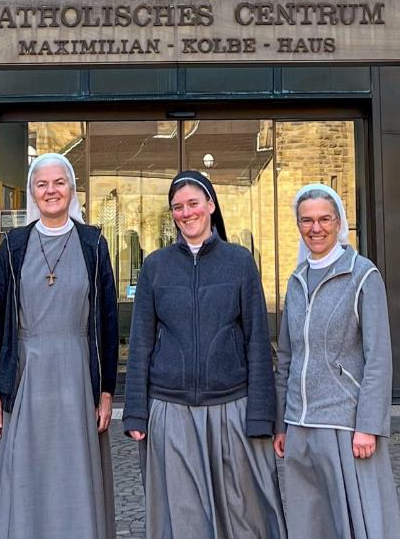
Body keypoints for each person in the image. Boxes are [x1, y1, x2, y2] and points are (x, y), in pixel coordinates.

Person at [123, 170, 285, 539]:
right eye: (177, 207)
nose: (186, 212)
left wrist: (262, 414)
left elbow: (257, 341)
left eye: (193, 203)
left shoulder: (239, 262)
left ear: (211, 205)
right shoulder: (155, 267)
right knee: (182, 518)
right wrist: (135, 410)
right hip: (170, 409)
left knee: (243, 514)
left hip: (232, 406)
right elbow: (141, 343)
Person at [0, 153, 120, 539]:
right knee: (25, 467)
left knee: (73, 468)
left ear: (72, 189)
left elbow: (106, 322)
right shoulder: (14, 246)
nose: (51, 190)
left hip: (76, 375)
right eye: (42, 184)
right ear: (32, 192)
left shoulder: (94, 243)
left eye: (59, 182)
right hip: (25, 373)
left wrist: (106, 392)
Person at [273, 184, 400, 539]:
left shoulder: (363, 276)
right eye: (307, 220)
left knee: (356, 522)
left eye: (324, 219)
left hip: (346, 425)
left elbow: (379, 358)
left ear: (339, 222)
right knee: (309, 522)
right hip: (300, 422)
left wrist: (369, 426)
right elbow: (286, 356)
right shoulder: (296, 280)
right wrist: (281, 423)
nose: (316, 228)